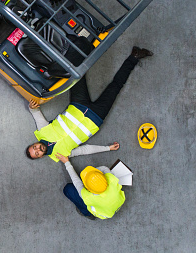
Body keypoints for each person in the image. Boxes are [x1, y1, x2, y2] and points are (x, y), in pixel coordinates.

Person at [25, 46, 153, 161]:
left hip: (78, 105)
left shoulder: (42, 131)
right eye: (36, 153)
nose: (37, 149)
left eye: (34, 147)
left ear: (34, 143)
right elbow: (84, 150)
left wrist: (32, 108)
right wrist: (107, 148)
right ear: (40, 157)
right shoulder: (61, 156)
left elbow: (36, 114)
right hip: (96, 117)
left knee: (76, 75)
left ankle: (79, 43)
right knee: (116, 86)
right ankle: (134, 57)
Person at [57, 153, 125, 220]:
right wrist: (94, 175)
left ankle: (87, 213)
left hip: (102, 213)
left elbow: (76, 182)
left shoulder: (88, 197)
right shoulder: (112, 179)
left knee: (68, 189)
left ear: (88, 190)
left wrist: (67, 163)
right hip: (118, 202)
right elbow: (105, 168)